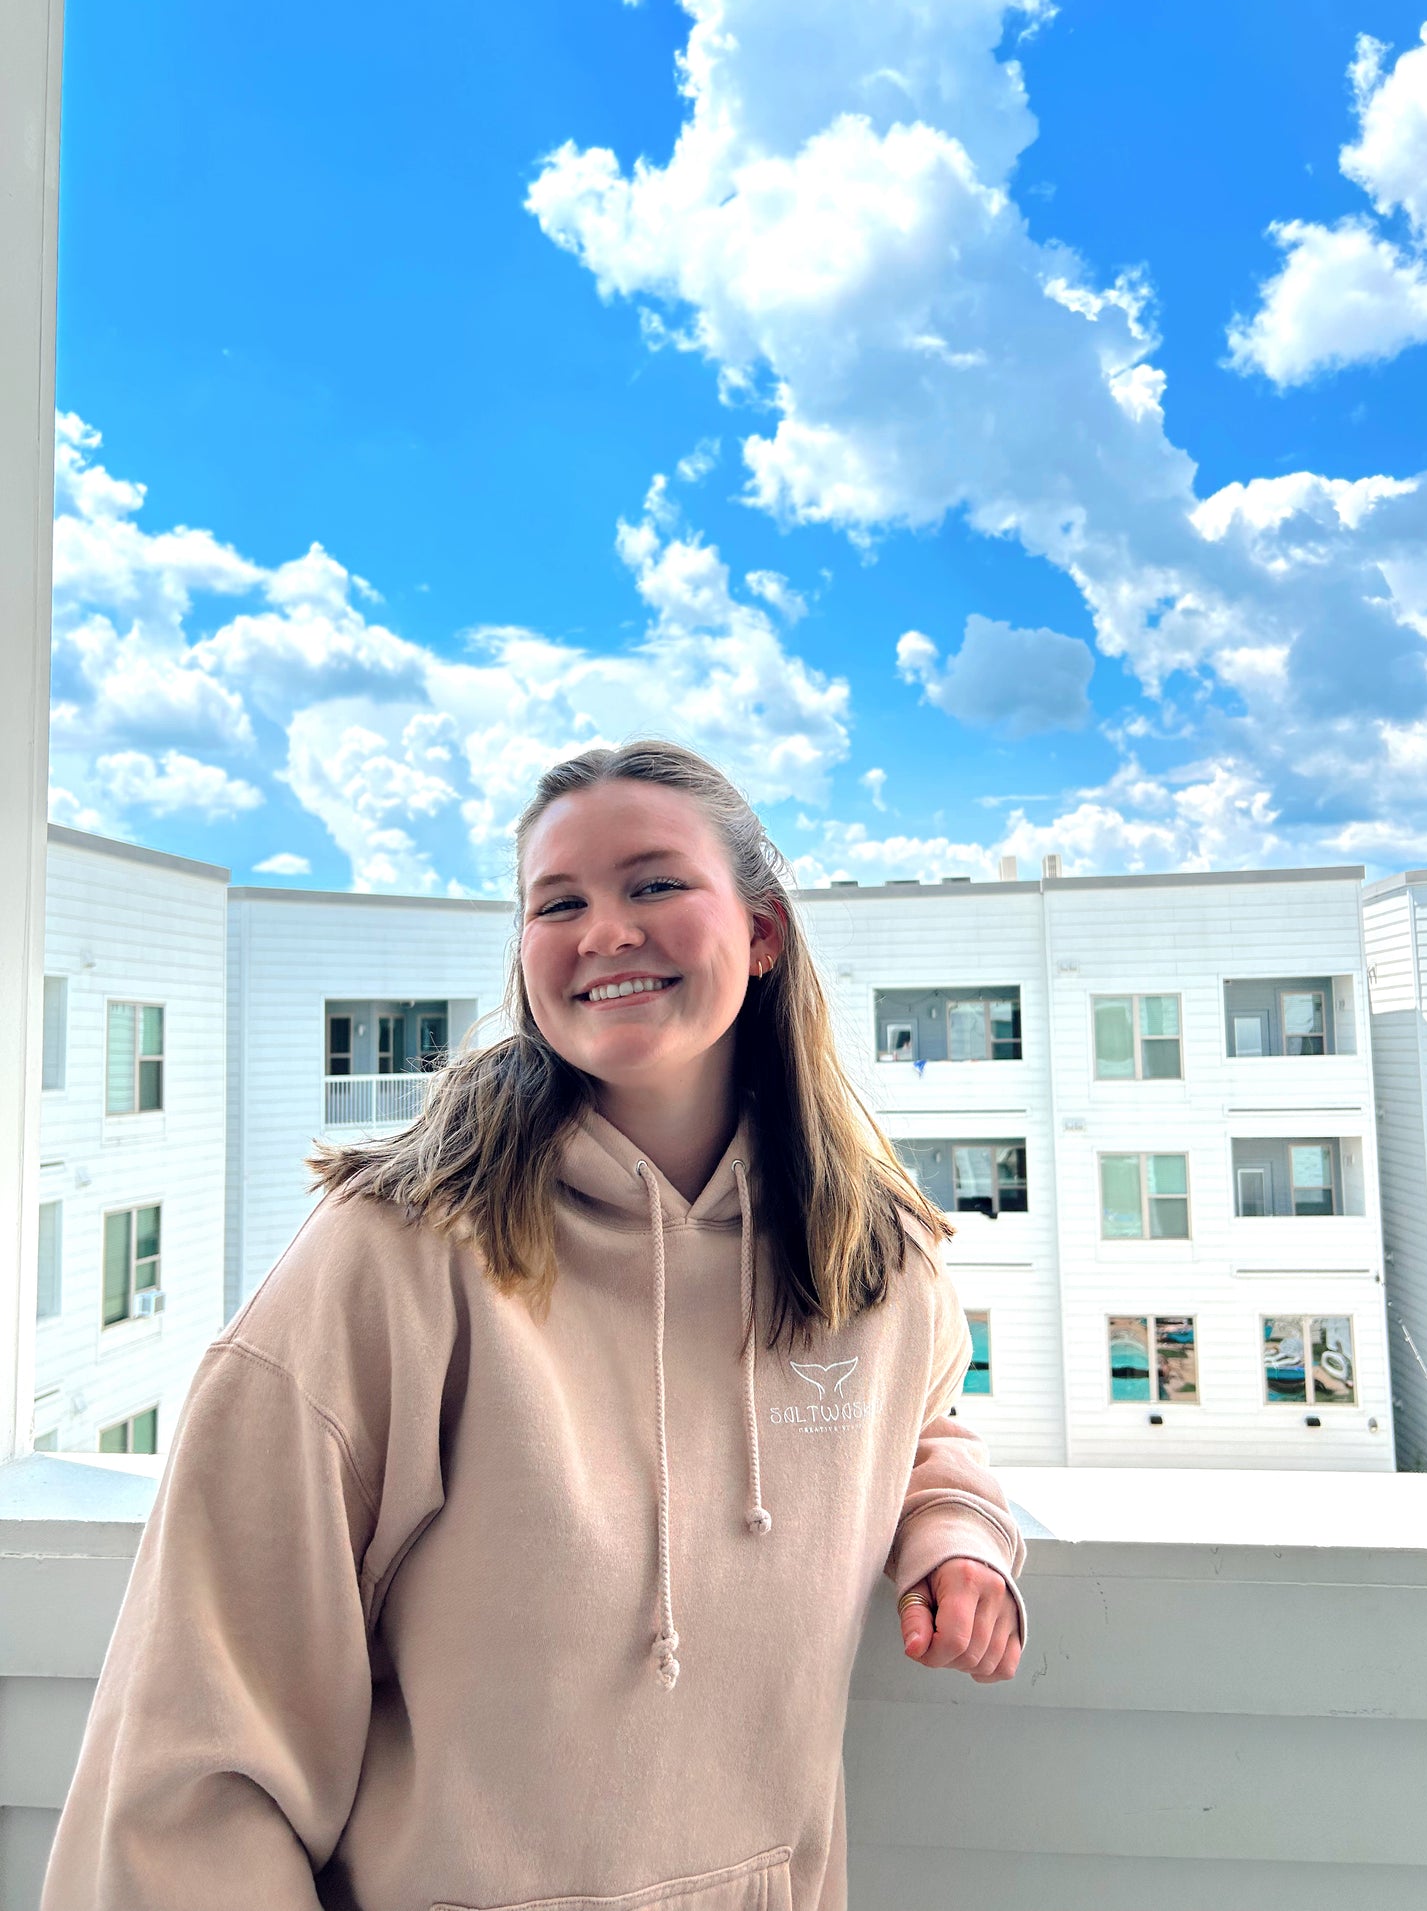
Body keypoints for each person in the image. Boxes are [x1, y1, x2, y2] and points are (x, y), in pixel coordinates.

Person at [41, 739, 1025, 1911]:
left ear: (762, 933)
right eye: (556, 902)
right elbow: (193, 1751)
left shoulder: (868, 1256)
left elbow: (915, 1413)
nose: (603, 929)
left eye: (653, 883)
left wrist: (954, 1528)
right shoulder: (395, 1254)